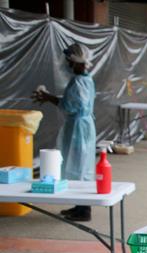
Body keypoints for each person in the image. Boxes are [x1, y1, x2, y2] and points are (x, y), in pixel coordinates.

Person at [32, 43, 96, 222]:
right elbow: (73, 102)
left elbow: (70, 105)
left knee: (78, 166)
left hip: (79, 128)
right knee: (77, 166)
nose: (67, 65)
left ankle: (84, 210)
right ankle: (79, 206)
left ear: (77, 61)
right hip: (81, 126)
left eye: (70, 61)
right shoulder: (86, 79)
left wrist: (48, 97)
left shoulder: (78, 81)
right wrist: (50, 97)